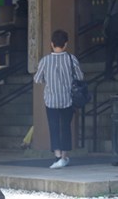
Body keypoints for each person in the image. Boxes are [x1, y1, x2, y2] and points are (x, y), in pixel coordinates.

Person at [33, 29, 84, 170]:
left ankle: (57, 155)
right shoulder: (71, 59)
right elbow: (80, 77)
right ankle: (64, 156)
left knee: (54, 127)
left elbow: (37, 79)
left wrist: (48, 79)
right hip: (67, 99)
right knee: (66, 127)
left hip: (51, 100)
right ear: (66, 44)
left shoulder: (45, 60)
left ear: (51, 44)